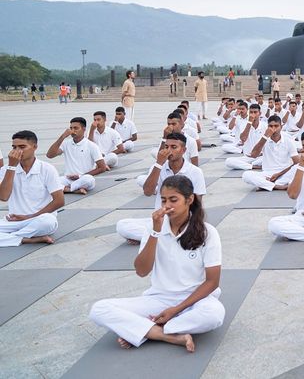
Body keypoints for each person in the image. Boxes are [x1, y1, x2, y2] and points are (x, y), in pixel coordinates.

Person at [90, 176, 224, 351]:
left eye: (173, 200)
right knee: (99, 309)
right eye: (163, 200)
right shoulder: (153, 228)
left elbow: (212, 282)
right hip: (159, 298)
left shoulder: (208, 232)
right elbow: (141, 271)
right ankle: (166, 335)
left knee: (214, 315)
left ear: (189, 200)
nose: (167, 205)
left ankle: (146, 330)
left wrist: (176, 310)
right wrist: (155, 231)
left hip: (194, 299)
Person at [119, 133, 207, 243]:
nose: (169, 150)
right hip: (161, 218)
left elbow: (198, 202)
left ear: (183, 150)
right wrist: (159, 164)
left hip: (182, 219)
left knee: (195, 230)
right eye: (166, 147)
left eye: (174, 147)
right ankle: (165, 237)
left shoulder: (195, 171)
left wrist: (191, 222)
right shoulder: (158, 167)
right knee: (122, 225)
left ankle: (153, 237)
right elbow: (147, 192)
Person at [0, 131, 64, 247]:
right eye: (14, 147)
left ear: (35, 147)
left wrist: (30, 216)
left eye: (22, 147)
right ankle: (25, 239)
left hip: (38, 219)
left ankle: (10, 238)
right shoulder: (6, 169)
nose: (17, 151)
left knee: (48, 222)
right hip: (13, 221)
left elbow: (59, 201)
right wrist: (11, 167)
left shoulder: (47, 169)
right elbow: (3, 197)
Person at [46, 117, 108, 194]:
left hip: (83, 179)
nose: (72, 131)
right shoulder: (66, 143)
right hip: (67, 179)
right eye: (71, 128)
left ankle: (66, 189)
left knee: (89, 180)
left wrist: (80, 176)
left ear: (84, 129)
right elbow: (49, 155)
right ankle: (73, 189)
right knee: (49, 181)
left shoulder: (91, 145)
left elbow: (102, 167)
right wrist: (62, 137)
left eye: (76, 128)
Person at [242, 115, 300, 191]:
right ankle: (277, 186)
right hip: (268, 173)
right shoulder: (264, 139)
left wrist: (279, 174)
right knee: (246, 175)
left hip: (285, 173)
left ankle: (268, 184)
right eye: (271, 126)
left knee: (301, 167)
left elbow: (297, 163)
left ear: (281, 127)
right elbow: (253, 155)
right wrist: (265, 136)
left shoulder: (288, 141)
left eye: (276, 126)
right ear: (267, 127)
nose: (273, 129)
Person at [224, 104, 267, 169]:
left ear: (260, 113)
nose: (253, 114)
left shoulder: (265, 125)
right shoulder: (244, 124)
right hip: (248, 157)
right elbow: (243, 138)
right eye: (251, 112)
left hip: (261, 157)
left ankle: (252, 165)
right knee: (229, 161)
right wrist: (249, 122)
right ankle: (254, 166)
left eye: (255, 112)